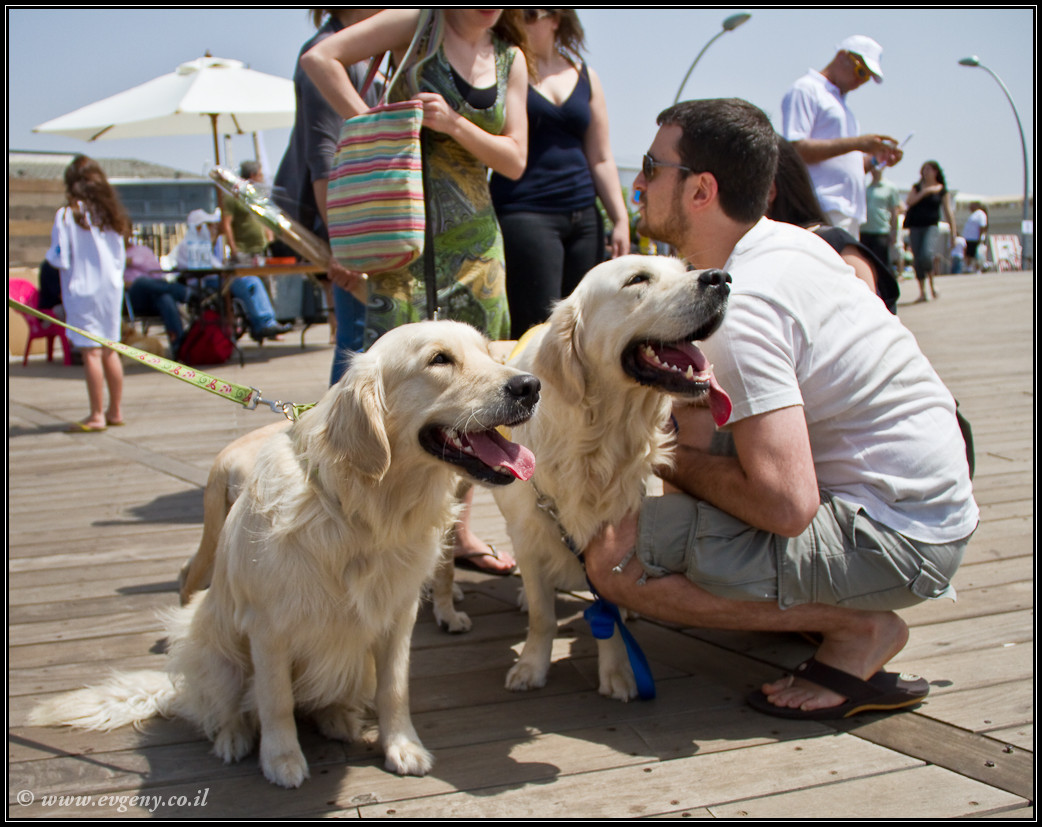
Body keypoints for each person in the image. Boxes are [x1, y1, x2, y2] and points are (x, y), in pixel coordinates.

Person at [583, 98, 978, 720]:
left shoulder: (742, 307)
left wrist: (662, 458)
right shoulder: (785, 244)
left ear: (701, 189)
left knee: (613, 555)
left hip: (901, 538)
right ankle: (817, 605)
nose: (637, 182)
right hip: (928, 504)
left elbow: (786, 508)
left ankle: (858, 630)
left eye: (652, 167)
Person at [303, 8, 531, 575]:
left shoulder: (510, 59)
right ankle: (363, 530)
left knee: (476, 395)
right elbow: (318, 59)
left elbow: (516, 158)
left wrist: (455, 124)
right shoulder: (418, 25)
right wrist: (374, 132)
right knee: (390, 392)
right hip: (398, 239)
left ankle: (452, 536)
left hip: (474, 247)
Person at [489, 8, 629, 339]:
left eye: (531, 14)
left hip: (585, 217)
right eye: (516, 14)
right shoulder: (504, 67)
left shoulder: (586, 76)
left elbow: (601, 156)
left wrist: (620, 219)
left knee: (586, 325)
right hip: (525, 212)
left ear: (556, 19)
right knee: (538, 328)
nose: (521, 21)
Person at [272, 8, 382, 383]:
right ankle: (340, 442)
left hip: (380, 221)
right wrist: (341, 245)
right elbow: (324, 159)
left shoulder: (374, 51)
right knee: (358, 341)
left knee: (371, 336)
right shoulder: (325, 52)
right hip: (350, 226)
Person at [780, 35, 903, 237]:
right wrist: (858, 143)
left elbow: (844, 161)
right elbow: (796, 150)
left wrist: (874, 160)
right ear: (842, 56)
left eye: (866, 78)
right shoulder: (807, 89)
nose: (861, 81)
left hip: (845, 209)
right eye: (861, 71)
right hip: (822, 205)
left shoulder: (839, 103)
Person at [45, 155, 130, 432]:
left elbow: (60, 257)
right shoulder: (112, 213)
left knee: (90, 352)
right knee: (111, 349)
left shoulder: (68, 215)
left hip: (82, 289)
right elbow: (120, 255)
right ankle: (115, 411)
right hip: (111, 288)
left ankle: (96, 415)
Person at [768, 136, 899, 313]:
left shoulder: (834, 245)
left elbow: (872, 324)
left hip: (832, 222)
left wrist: (868, 153)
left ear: (770, 191)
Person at [173, 209, 291, 343]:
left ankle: (264, 321)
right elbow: (210, 266)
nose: (213, 228)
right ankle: (264, 323)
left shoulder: (201, 242)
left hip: (214, 280)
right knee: (248, 283)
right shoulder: (191, 244)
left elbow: (214, 264)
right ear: (200, 226)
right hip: (206, 283)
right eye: (210, 225)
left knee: (251, 281)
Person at [903, 160, 957, 302]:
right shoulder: (918, 187)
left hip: (931, 226)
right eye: (924, 169)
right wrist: (925, 192)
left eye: (928, 169)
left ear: (935, 171)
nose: (925, 172)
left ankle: (932, 283)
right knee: (917, 259)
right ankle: (922, 291)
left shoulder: (941, 190)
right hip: (915, 226)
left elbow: (948, 211)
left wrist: (953, 232)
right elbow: (909, 201)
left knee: (926, 255)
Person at [124, 242, 191, 353]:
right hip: (132, 298)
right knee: (141, 281)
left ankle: (179, 347)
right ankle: (185, 293)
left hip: (154, 293)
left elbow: (158, 273)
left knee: (165, 298)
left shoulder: (143, 250)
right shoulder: (114, 251)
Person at [221, 160, 274, 263]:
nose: (262, 178)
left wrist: (270, 241)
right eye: (260, 174)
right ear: (252, 175)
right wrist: (234, 250)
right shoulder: (233, 196)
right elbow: (226, 224)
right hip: (244, 251)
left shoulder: (258, 196)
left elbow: (266, 220)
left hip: (262, 250)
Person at [860, 162, 901, 270]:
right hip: (864, 230)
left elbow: (894, 212)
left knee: (882, 264)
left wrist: (894, 232)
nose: (875, 170)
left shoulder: (890, 188)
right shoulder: (865, 188)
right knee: (867, 264)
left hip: (881, 231)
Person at [962, 201, 988, 272]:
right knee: (969, 254)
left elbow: (982, 226)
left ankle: (979, 268)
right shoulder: (973, 214)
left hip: (975, 239)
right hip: (969, 238)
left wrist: (980, 238)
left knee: (977, 255)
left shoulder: (981, 214)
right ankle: (968, 268)